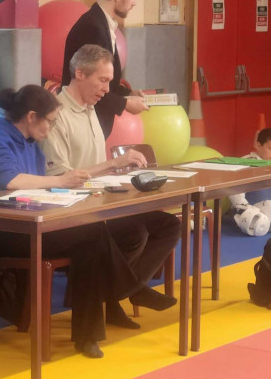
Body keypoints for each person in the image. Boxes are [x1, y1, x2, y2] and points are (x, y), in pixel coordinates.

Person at [0, 84, 140, 358]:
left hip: (31, 223)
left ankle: (88, 336)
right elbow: (10, 180)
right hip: (2, 231)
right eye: (50, 122)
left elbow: (39, 187)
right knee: (91, 233)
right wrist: (61, 181)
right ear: (31, 116)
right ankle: (130, 290)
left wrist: (65, 187)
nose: (51, 128)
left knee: (89, 240)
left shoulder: (32, 145)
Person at [41, 44, 181, 323]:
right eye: (103, 80)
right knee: (134, 233)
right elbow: (61, 178)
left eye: (109, 81)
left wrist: (119, 175)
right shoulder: (57, 115)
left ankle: (118, 293)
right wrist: (112, 164)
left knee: (168, 224)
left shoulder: (90, 107)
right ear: (80, 74)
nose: (107, 89)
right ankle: (130, 291)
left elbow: (93, 167)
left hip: (99, 204)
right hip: (73, 213)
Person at [61, 0, 148, 139]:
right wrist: (125, 104)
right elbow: (90, 84)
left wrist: (128, 94)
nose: (134, 3)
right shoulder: (93, 27)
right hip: (83, 122)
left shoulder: (102, 23)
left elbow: (107, 83)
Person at [229, 128, 271, 235]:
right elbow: (235, 189)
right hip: (254, 211)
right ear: (258, 145)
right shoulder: (246, 163)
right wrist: (244, 208)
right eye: (270, 148)